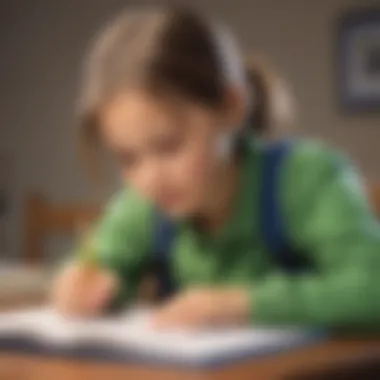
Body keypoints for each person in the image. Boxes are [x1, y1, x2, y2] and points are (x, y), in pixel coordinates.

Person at [53, 6, 380, 330]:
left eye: (169, 146)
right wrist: (92, 287)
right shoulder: (145, 205)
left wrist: (242, 305)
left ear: (231, 109)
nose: (150, 180)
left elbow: (372, 288)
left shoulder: (308, 179)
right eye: (128, 159)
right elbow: (107, 265)